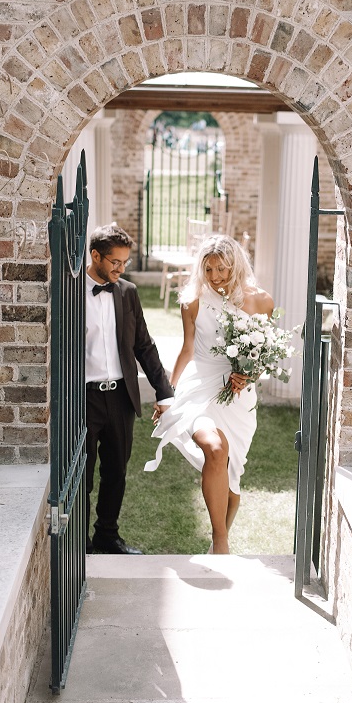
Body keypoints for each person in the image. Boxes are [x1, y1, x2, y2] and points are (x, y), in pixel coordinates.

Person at [145, 234, 274, 554]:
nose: (215, 277)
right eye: (209, 269)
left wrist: (249, 376)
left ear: (237, 267)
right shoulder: (193, 301)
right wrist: (167, 394)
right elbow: (187, 349)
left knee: (233, 473)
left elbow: (264, 356)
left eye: (222, 270)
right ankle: (220, 543)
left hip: (239, 396)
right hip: (199, 385)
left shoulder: (261, 301)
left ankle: (220, 540)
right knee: (215, 449)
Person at [85, 224, 174, 554]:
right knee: (82, 474)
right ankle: (79, 542)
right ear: (95, 256)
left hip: (121, 396)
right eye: (114, 262)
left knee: (116, 471)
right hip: (85, 398)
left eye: (125, 262)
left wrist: (164, 392)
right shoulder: (71, 292)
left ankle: (107, 536)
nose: (120, 269)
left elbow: (144, 346)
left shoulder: (127, 292)